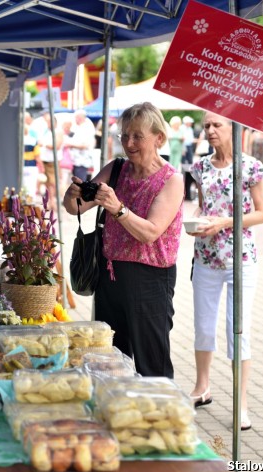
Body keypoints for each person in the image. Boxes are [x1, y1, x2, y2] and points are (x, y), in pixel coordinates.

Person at [63, 102, 184, 377]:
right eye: (125, 135)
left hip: (150, 279)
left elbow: (151, 232)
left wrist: (118, 208)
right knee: (108, 358)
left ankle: (158, 415)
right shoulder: (116, 169)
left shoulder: (172, 180)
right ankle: (114, 411)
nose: (129, 143)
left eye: (137, 136)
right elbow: (77, 207)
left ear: (159, 138)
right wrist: (72, 196)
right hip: (109, 275)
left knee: (151, 360)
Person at [188, 111, 263, 432]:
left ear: (233, 129)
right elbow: (203, 206)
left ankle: (241, 403)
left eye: (216, 125)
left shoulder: (250, 167)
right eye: (206, 125)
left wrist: (224, 222)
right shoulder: (200, 167)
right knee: (203, 328)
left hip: (241, 259)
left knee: (239, 330)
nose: (209, 131)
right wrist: (196, 222)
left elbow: (262, 214)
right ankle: (202, 388)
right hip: (206, 257)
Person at [66, 109, 97, 182]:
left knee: (80, 183)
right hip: (74, 160)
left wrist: (71, 145)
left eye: (77, 117)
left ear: (81, 117)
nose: (76, 119)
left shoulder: (87, 128)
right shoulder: (75, 128)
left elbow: (86, 145)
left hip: (82, 161)